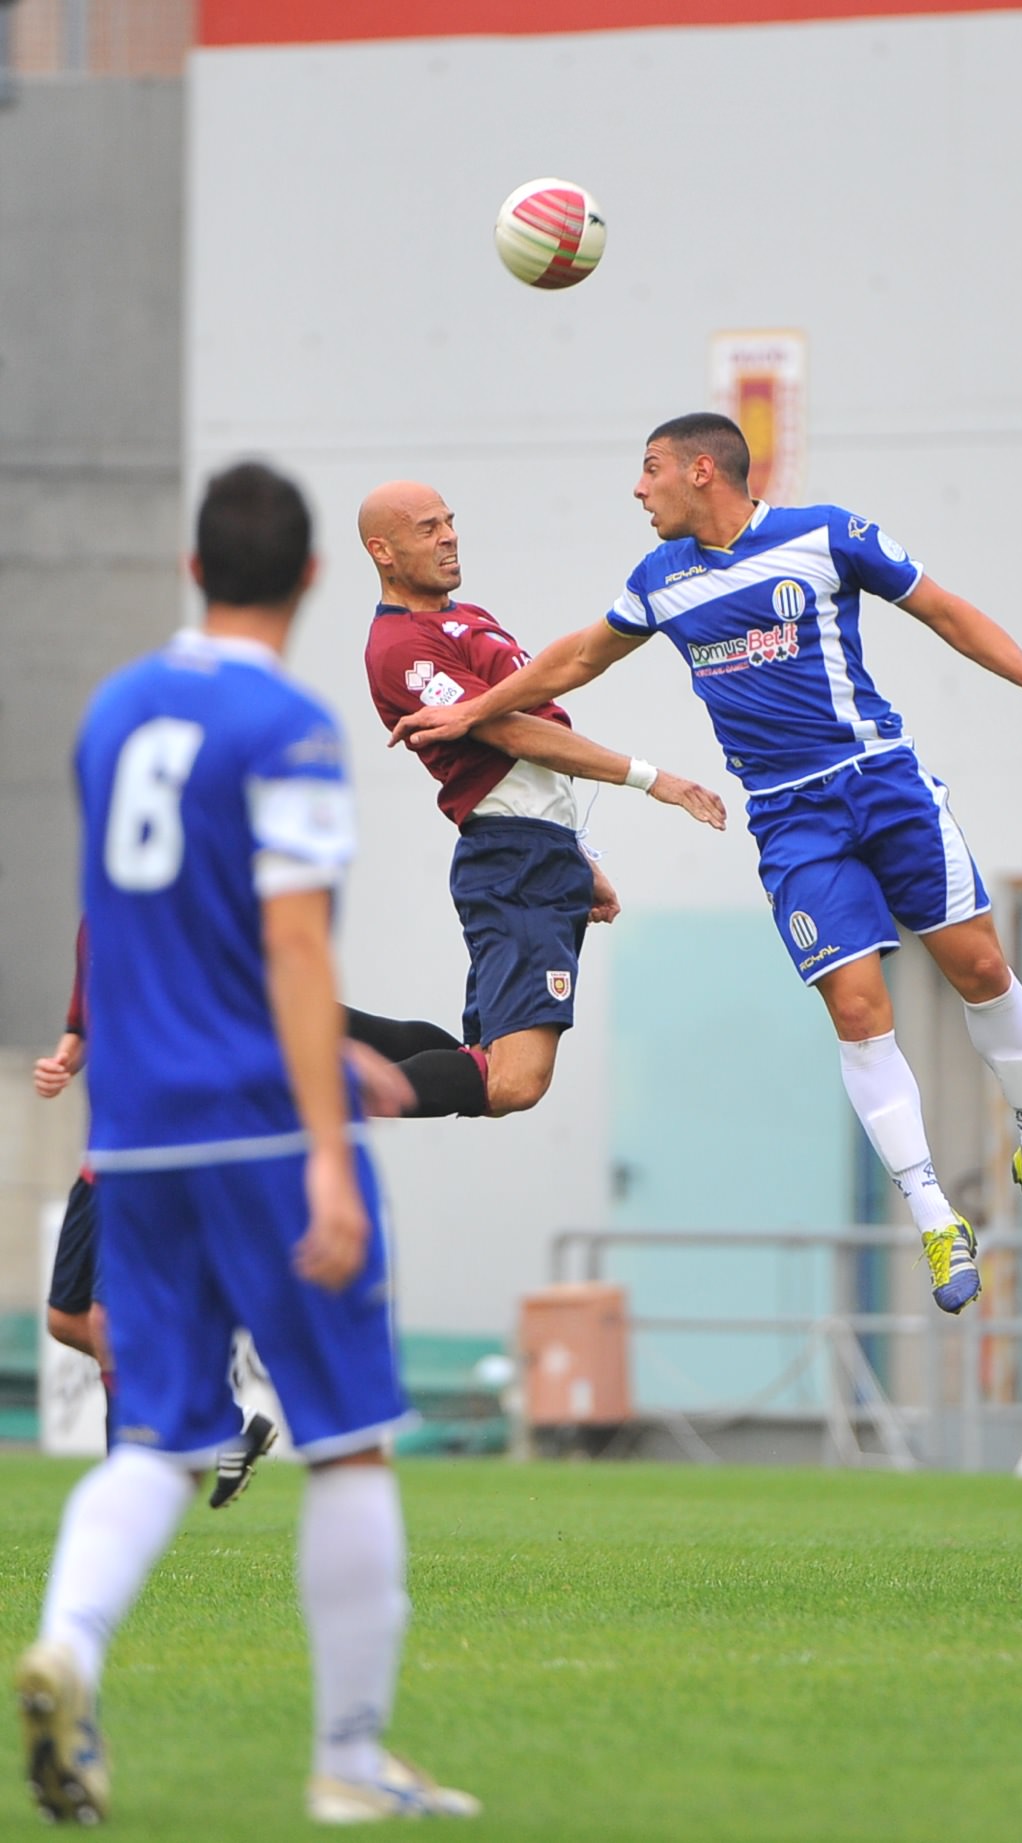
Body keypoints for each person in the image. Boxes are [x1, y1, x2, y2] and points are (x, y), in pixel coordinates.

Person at [392, 413, 1022, 1316]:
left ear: (700, 471)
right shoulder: (661, 579)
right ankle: (932, 1212)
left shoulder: (824, 535)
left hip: (882, 782)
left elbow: (941, 607)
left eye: (648, 470)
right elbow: (576, 657)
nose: (637, 489)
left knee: (980, 969)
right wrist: (474, 710)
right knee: (855, 1006)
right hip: (791, 817)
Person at [15, 461, 478, 1826]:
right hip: (261, 1127)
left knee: (154, 1435)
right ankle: (349, 1755)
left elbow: (159, 924)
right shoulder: (290, 725)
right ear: (316, 578)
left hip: (138, 1133)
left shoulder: (111, 714)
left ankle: (70, 1645)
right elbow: (286, 932)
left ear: (192, 564)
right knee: (348, 1438)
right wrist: (328, 1138)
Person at [356, 479, 726, 1121]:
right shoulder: (400, 647)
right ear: (381, 551)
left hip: (539, 853)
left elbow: (530, 751)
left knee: (487, 1065)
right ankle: (297, 1095)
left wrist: (576, 856)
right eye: (426, 528)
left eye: (449, 521)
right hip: (512, 860)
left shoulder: (467, 617)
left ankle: (299, 1028)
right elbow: (510, 731)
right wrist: (649, 777)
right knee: (516, 1082)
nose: (448, 536)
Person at [33, 921, 279, 1500]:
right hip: (102, 1153)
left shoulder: (182, 919)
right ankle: (223, 1426)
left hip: (154, 1149)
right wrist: (64, 1060)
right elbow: (82, 1021)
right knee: (66, 1321)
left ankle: (132, 1470)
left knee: (105, 1319)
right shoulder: (97, 922)